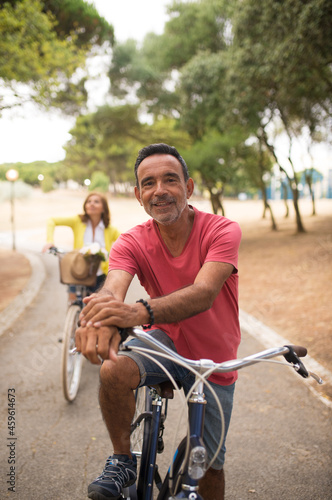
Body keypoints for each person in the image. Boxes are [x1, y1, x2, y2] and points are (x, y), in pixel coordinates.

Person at [76, 144, 242, 500]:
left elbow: (204, 292)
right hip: (163, 341)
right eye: (148, 183)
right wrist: (99, 318)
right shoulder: (131, 241)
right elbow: (112, 289)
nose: (160, 190)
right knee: (113, 369)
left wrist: (137, 312)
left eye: (170, 179)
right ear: (138, 195)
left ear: (189, 187)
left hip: (214, 358)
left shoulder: (222, 231)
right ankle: (123, 459)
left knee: (210, 465)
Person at [42, 192, 120, 300]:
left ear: (103, 208)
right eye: (89, 201)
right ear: (85, 206)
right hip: (77, 270)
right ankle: (73, 314)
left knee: (97, 307)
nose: (91, 204)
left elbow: (124, 242)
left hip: (100, 274)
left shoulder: (110, 229)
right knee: (73, 300)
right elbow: (52, 220)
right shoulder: (77, 221)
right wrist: (50, 241)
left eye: (96, 202)